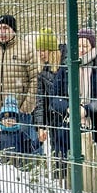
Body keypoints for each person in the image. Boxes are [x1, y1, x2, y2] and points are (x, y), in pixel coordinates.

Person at [0, 14, 40, 151]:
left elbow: (35, 81)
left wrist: (25, 108)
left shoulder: (27, 49)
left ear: (14, 30)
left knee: (25, 153)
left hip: (20, 112)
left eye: (6, 28)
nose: (2, 32)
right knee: (0, 156)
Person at [50, 28, 97, 164]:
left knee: (94, 165)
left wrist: (87, 109)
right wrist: (69, 108)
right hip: (67, 125)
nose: (81, 49)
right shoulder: (65, 69)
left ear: (92, 47)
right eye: (78, 45)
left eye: (85, 45)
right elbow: (54, 98)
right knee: (68, 165)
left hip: (95, 126)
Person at [34, 28, 62, 172]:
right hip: (54, 120)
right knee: (57, 156)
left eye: (43, 50)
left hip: (70, 118)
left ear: (52, 50)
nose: (40, 54)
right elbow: (40, 100)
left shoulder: (66, 64)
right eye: (38, 50)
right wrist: (41, 125)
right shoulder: (41, 70)